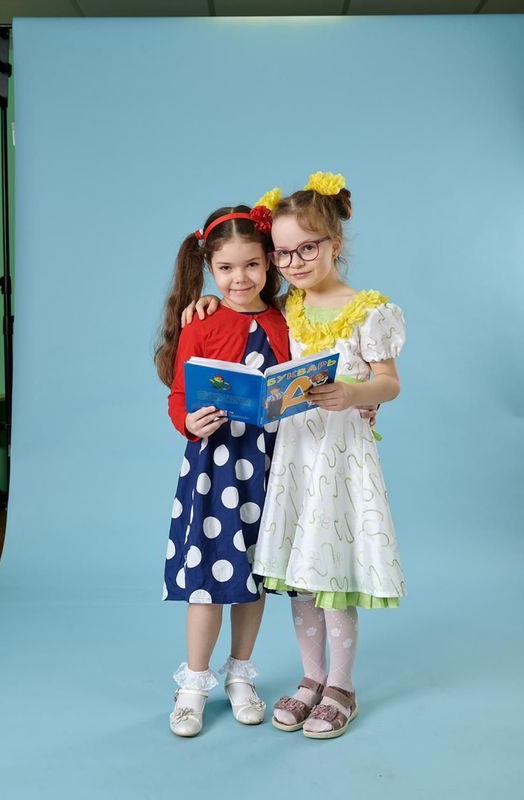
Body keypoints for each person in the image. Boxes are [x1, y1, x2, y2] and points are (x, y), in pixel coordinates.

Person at [186, 172, 406, 741]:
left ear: (335, 243)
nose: (294, 262)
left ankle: (342, 686)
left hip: (340, 461)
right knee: (300, 573)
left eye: (306, 248)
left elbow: (388, 382)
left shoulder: (368, 310)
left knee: (331, 572)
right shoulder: (289, 307)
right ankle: (312, 679)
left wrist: (355, 394)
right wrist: (210, 298)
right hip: (292, 459)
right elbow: (244, 306)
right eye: (283, 254)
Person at [154, 203, 289, 737]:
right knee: (209, 577)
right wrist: (190, 421)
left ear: (269, 262)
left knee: (253, 575)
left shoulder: (284, 320)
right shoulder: (203, 322)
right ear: (209, 267)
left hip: (269, 466)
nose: (240, 278)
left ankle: (240, 675)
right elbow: (179, 396)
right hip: (215, 469)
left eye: (252, 265)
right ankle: (193, 683)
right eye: (226, 268)